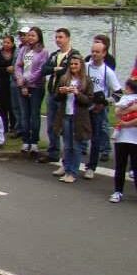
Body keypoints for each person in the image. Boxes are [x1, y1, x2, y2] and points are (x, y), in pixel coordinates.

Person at [51, 55, 93, 184]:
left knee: (76, 146)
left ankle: (72, 172)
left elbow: (88, 101)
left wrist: (77, 93)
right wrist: (61, 92)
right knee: (68, 145)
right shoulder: (64, 78)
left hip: (79, 118)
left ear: (81, 65)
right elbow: (56, 98)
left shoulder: (86, 80)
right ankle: (67, 168)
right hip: (66, 115)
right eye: (71, 64)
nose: (73, 66)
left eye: (76, 64)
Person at [84, 40, 122, 179]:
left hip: (97, 109)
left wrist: (104, 103)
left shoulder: (108, 72)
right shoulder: (85, 66)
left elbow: (118, 94)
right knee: (77, 135)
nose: (94, 54)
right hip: (83, 105)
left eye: (97, 52)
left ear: (104, 53)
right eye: (92, 51)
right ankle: (69, 163)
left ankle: (91, 167)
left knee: (96, 138)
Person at [40, 28, 78, 164]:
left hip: (64, 95)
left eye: (61, 37)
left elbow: (70, 70)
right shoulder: (55, 54)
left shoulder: (74, 55)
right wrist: (54, 69)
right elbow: (44, 70)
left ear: (68, 38)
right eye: (56, 37)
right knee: (51, 124)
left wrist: (58, 70)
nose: (58, 40)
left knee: (66, 126)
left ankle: (69, 154)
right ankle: (53, 151)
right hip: (52, 92)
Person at [14, 27, 47, 154]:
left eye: (33, 35)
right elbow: (18, 65)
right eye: (29, 35)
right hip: (22, 85)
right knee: (25, 114)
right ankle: (25, 140)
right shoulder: (23, 50)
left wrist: (28, 82)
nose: (30, 38)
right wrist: (21, 81)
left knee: (34, 114)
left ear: (39, 37)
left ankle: (34, 141)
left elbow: (40, 70)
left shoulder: (43, 52)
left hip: (36, 86)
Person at [109, 77, 137, 203]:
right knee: (120, 166)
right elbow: (117, 112)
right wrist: (131, 109)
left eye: (127, 87)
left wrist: (127, 123)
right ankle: (117, 191)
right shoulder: (124, 98)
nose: (125, 89)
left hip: (135, 138)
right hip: (122, 138)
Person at [0, 35, 18, 135]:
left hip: (11, 81)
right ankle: (4, 126)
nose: (6, 44)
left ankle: (13, 126)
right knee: (2, 105)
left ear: (12, 43)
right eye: (4, 42)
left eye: (8, 43)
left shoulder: (16, 53)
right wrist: (5, 69)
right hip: (1, 81)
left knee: (12, 105)